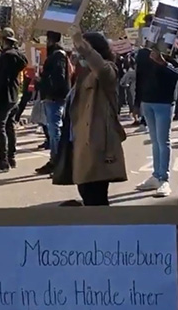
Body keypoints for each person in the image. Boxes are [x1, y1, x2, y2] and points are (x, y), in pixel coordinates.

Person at [54, 32, 127, 206]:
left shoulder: (107, 71)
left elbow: (102, 69)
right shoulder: (82, 75)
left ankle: (103, 232)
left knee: (96, 198)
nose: (78, 55)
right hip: (79, 143)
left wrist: (85, 48)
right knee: (87, 194)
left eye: (81, 51)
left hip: (96, 145)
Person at [135, 44, 178, 197]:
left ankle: (164, 178)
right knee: (155, 141)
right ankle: (156, 175)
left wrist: (163, 62)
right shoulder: (143, 54)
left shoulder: (170, 50)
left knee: (163, 141)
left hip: (164, 102)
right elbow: (140, 77)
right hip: (147, 102)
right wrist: (137, 103)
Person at [0, 28, 28, 173]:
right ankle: (11, 157)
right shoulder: (18, 55)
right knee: (9, 126)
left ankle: (3, 160)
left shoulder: (6, 56)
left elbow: (2, 79)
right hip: (14, 94)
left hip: (5, 95)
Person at [35, 31, 72, 175]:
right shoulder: (56, 55)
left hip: (55, 97)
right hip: (53, 96)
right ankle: (54, 160)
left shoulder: (58, 56)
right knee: (53, 129)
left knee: (55, 130)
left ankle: (57, 161)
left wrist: (43, 82)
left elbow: (58, 78)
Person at [120, 59, 138, 124]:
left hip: (132, 87)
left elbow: (122, 82)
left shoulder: (130, 73)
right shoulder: (141, 71)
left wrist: (126, 84)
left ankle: (136, 118)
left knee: (132, 102)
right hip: (140, 87)